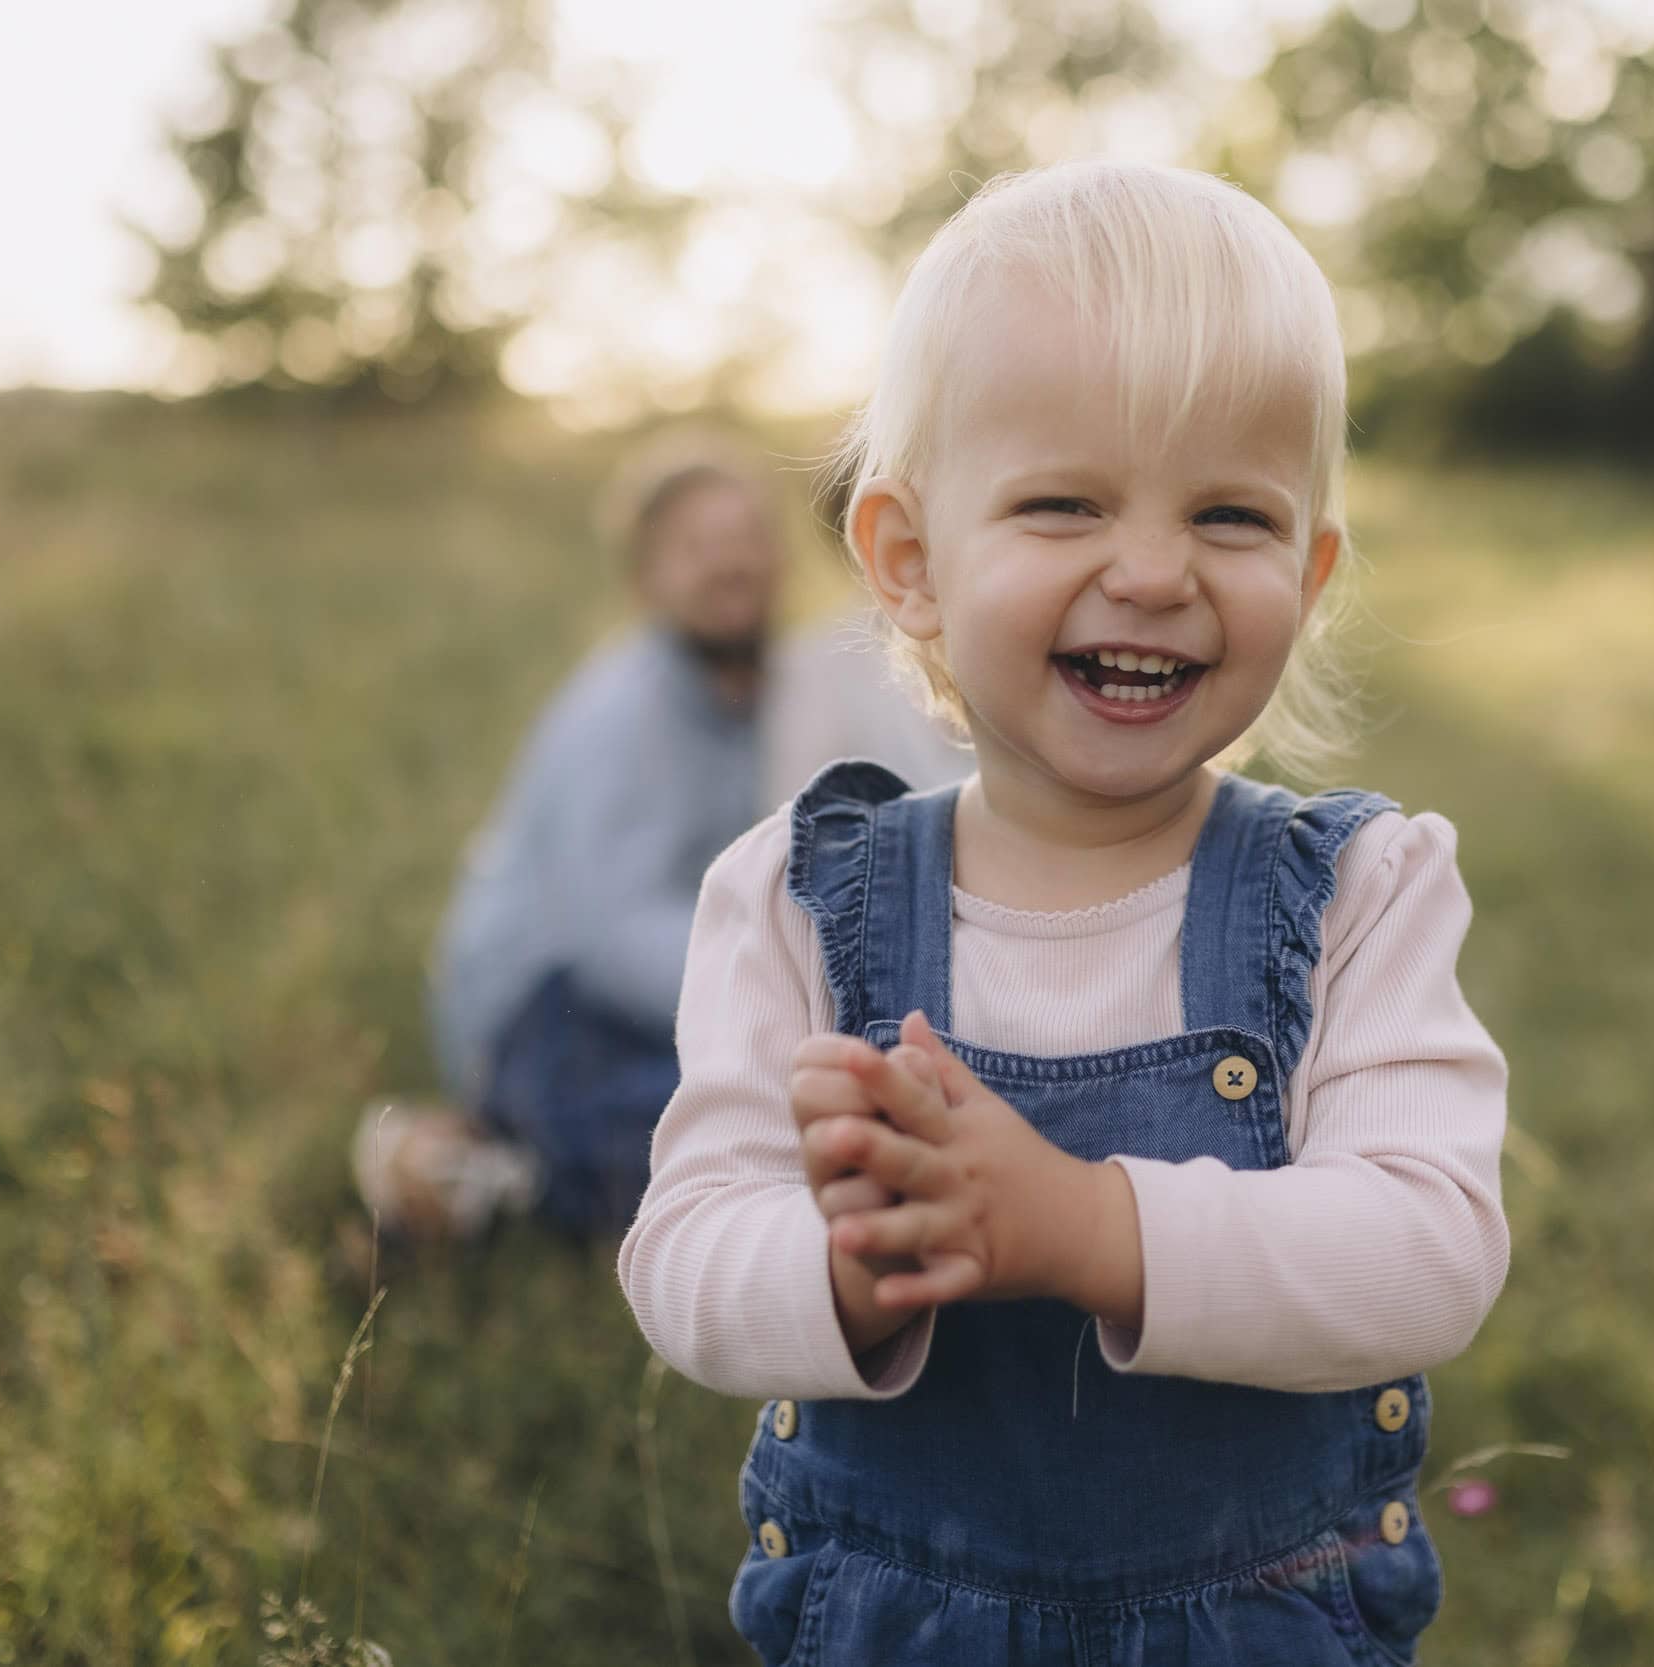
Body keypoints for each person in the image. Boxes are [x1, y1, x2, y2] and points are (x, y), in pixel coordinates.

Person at [615, 160, 1510, 1666]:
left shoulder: (1362, 890)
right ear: (909, 561)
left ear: (1312, 565)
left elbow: (1427, 1252)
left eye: (1232, 514)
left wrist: (1084, 1223)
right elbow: (684, 1257)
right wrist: (848, 1261)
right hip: (906, 1622)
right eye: (1064, 503)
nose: (1153, 571)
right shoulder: (793, 899)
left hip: (1254, 1623)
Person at [355, 428, 963, 1242]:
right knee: (737, 1143)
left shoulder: (771, 695)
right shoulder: (623, 709)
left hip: (667, 989)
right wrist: (774, 998)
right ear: (645, 578)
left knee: (805, 1114)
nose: (731, 562)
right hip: (545, 1003)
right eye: (697, 546)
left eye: (749, 539)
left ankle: (498, 1155)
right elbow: (610, 931)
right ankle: (470, 1172)